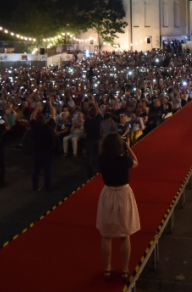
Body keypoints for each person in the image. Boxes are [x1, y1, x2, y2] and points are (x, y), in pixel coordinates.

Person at [97, 133, 140, 282]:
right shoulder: (124, 159)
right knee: (124, 234)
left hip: (108, 193)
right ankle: (124, 269)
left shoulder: (101, 159)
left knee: (106, 235)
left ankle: (107, 268)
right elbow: (136, 162)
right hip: (123, 193)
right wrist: (128, 147)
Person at [30, 109, 55, 191]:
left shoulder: (34, 127)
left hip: (37, 151)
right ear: (44, 120)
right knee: (47, 171)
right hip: (47, 152)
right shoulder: (48, 127)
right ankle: (47, 188)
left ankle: (35, 186)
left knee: (36, 171)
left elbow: (31, 117)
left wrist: (36, 108)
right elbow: (53, 115)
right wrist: (50, 105)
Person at [84, 108, 103, 177]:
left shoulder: (86, 121)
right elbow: (99, 111)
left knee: (89, 157)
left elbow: (85, 130)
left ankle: (90, 173)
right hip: (97, 140)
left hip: (89, 140)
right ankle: (99, 170)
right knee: (98, 155)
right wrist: (94, 103)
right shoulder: (98, 120)